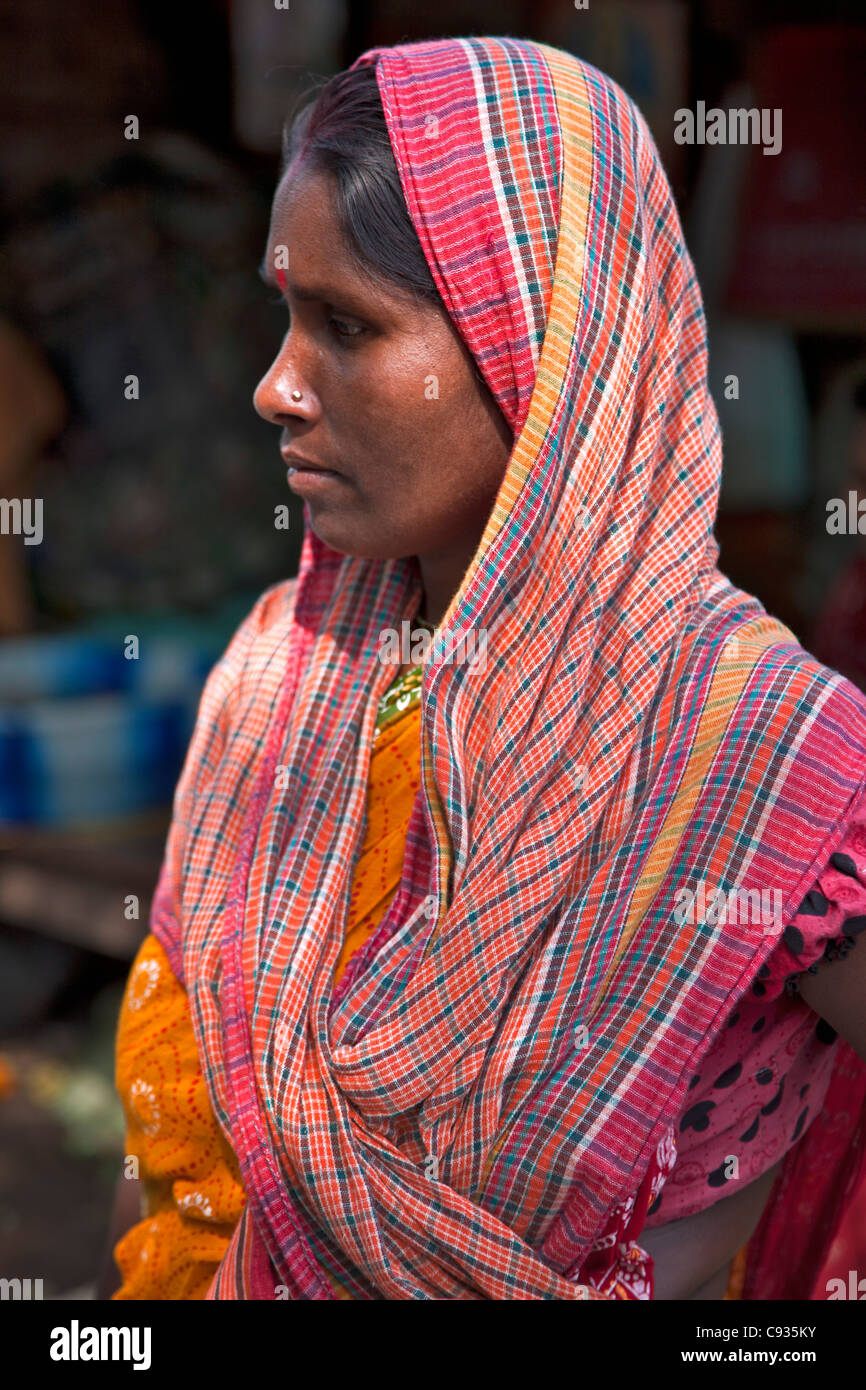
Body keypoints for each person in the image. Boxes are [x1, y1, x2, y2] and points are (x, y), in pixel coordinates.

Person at [100, 36, 866, 1301]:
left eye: (345, 324)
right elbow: (170, 1167)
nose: (275, 387)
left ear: (550, 349)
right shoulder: (272, 683)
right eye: (284, 318)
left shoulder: (761, 765)